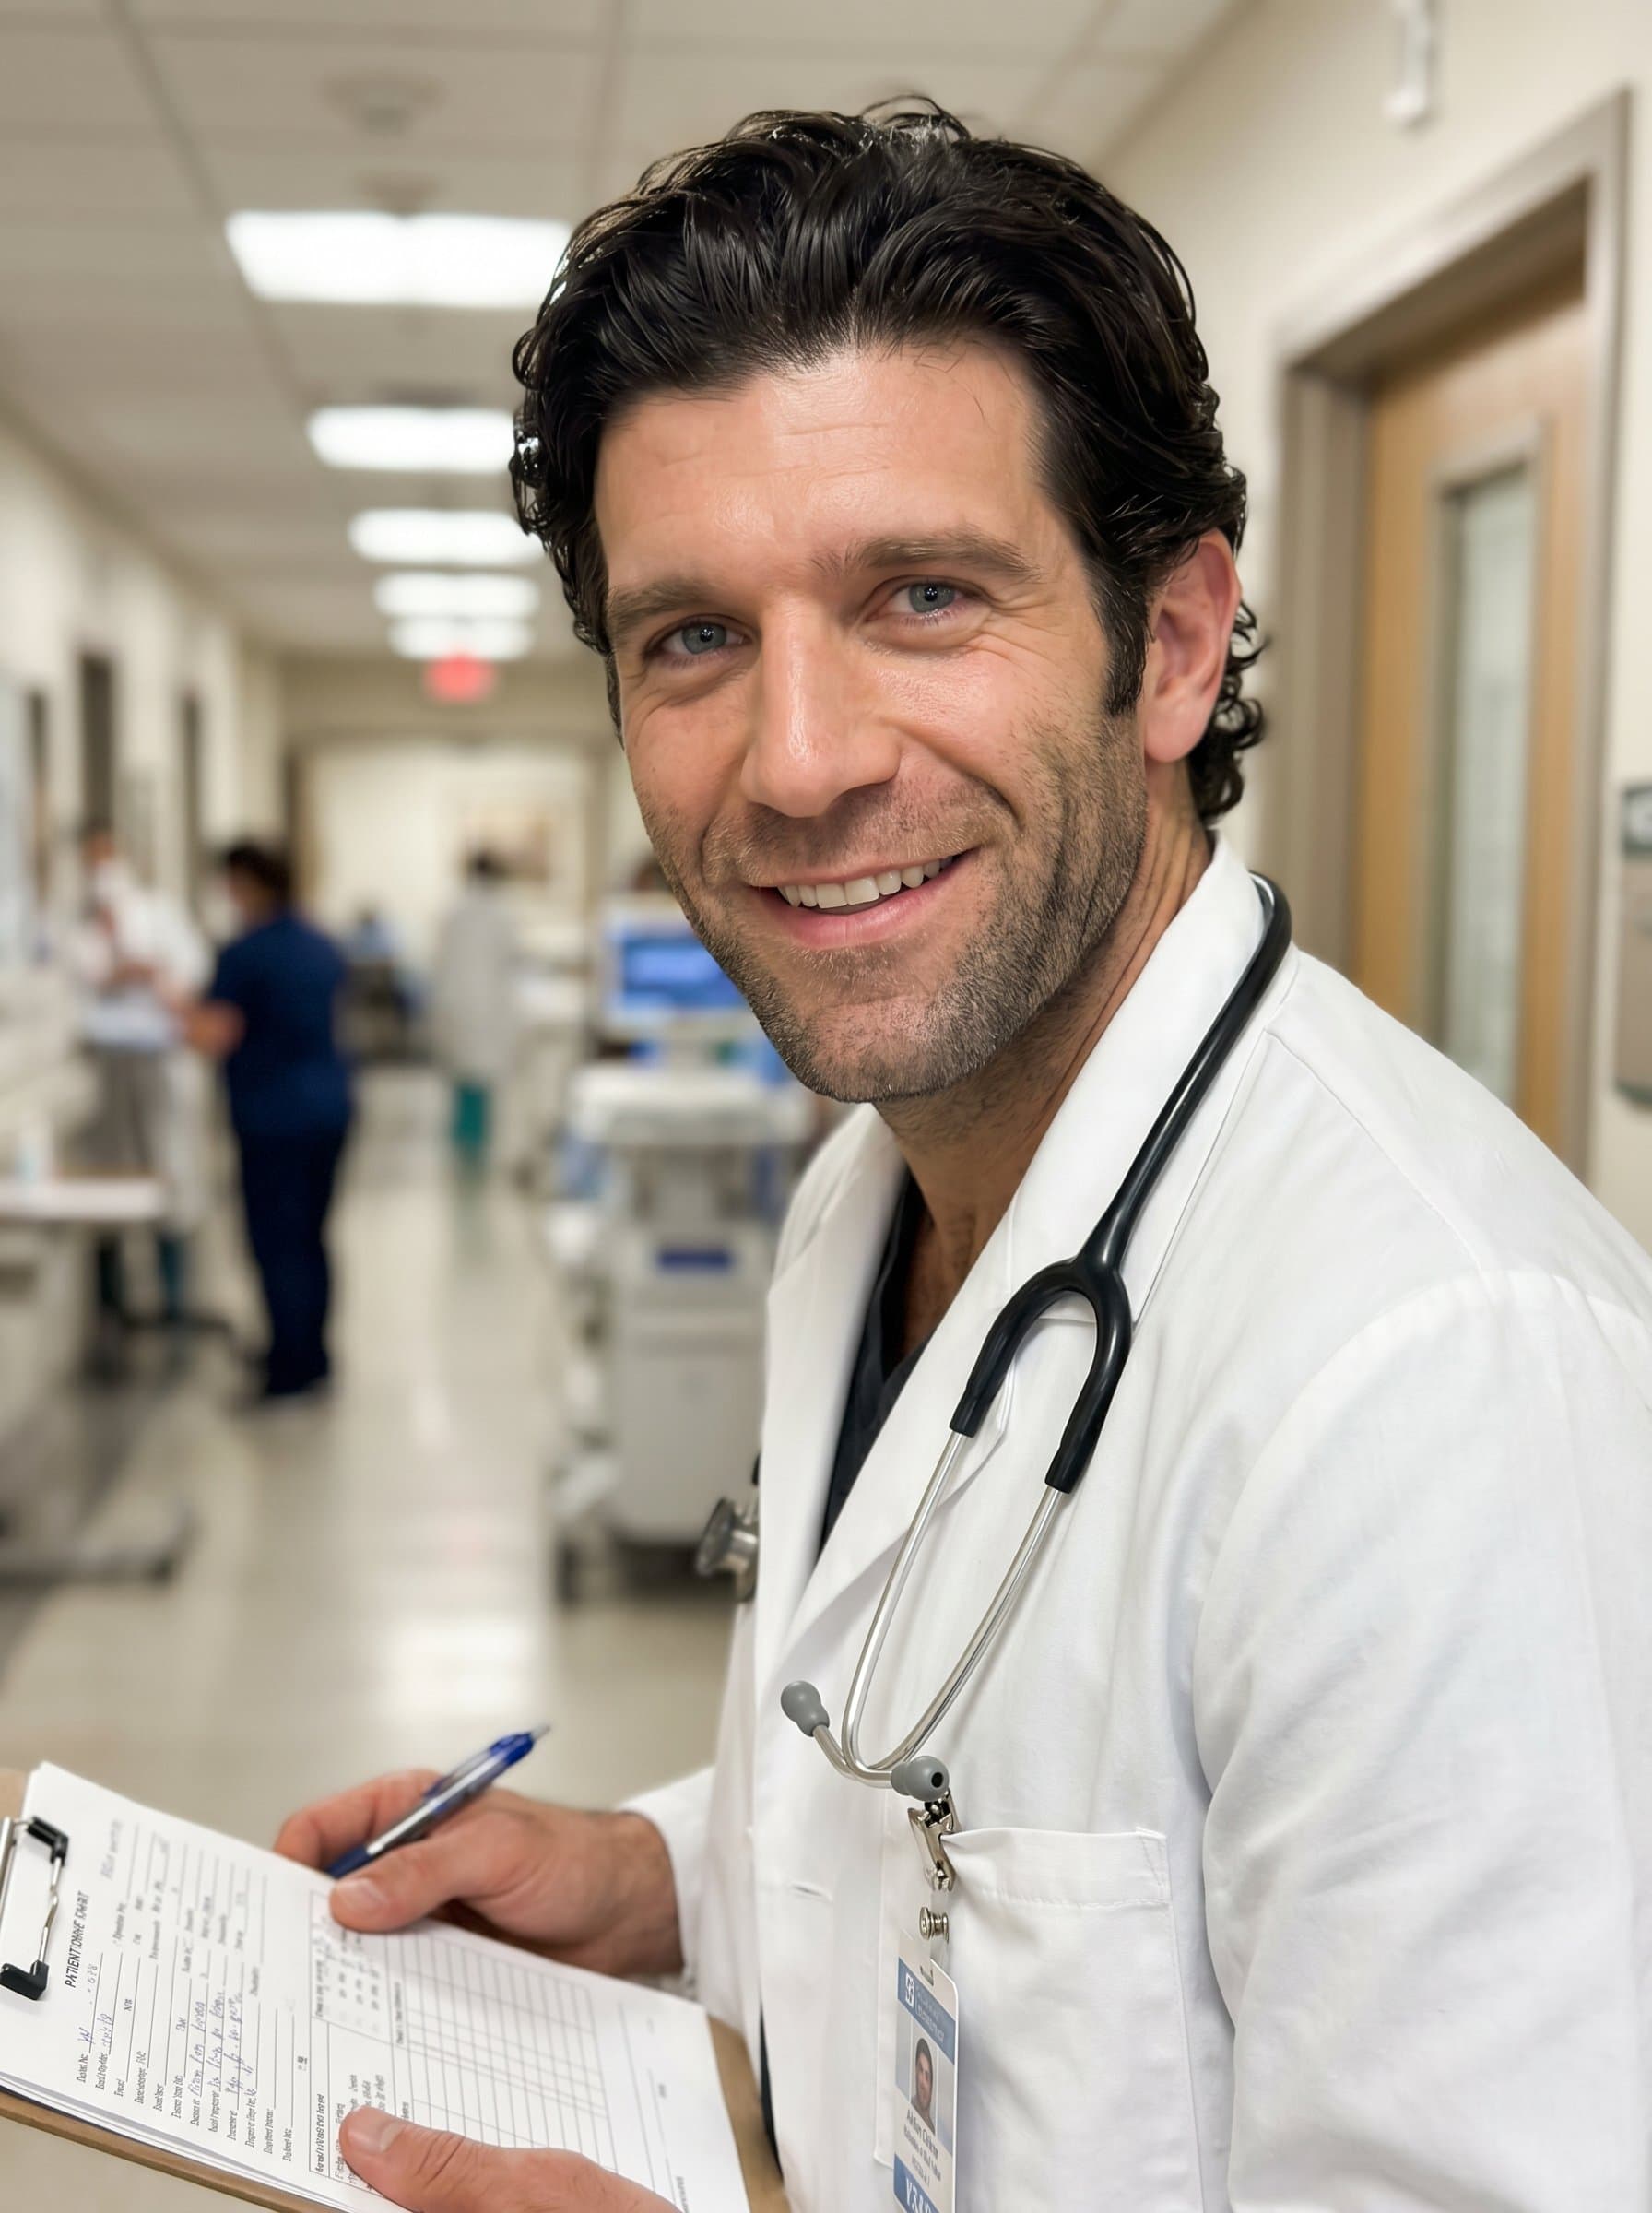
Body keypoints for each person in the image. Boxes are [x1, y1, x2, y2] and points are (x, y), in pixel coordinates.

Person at [277, 105, 1652, 2211]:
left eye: (922, 594)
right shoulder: (876, 1184)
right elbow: (991, 1822)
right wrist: (663, 1874)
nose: (803, 759)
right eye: (693, 638)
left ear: (1172, 646)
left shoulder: (1440, 1380)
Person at [184, 841, 352, 1402]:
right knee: (311, 1236)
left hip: (273, 1117)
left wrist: (165, 997)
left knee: (276, 1242)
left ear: (247, 883)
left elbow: (211, 1034)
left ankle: (288, 1372)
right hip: (328, 1108)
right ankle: (313, 1356)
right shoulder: (320, 944)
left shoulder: (245, 953)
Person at [68, 823, 210, 1337]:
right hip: (104, 1063)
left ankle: (173, 1303)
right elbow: (75, 985)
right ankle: (112, 1307)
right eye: (91, 857)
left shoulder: (159, 913)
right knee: (107, 1177)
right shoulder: (76, 923)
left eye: (107, 855)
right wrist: (110, 966)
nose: (100, 867)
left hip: (158, 1060)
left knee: (167, 1170)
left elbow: (190, 973)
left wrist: (147, 972)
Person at [429, 851, 516, 1166]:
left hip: (456, 1002)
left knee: (463, 1076)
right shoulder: (502, 914)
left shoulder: (452, 912)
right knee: (481, 1077)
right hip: (490, 1003)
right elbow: (510, 959)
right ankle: (476, 1145)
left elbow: (440, 961)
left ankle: (464, 1143)